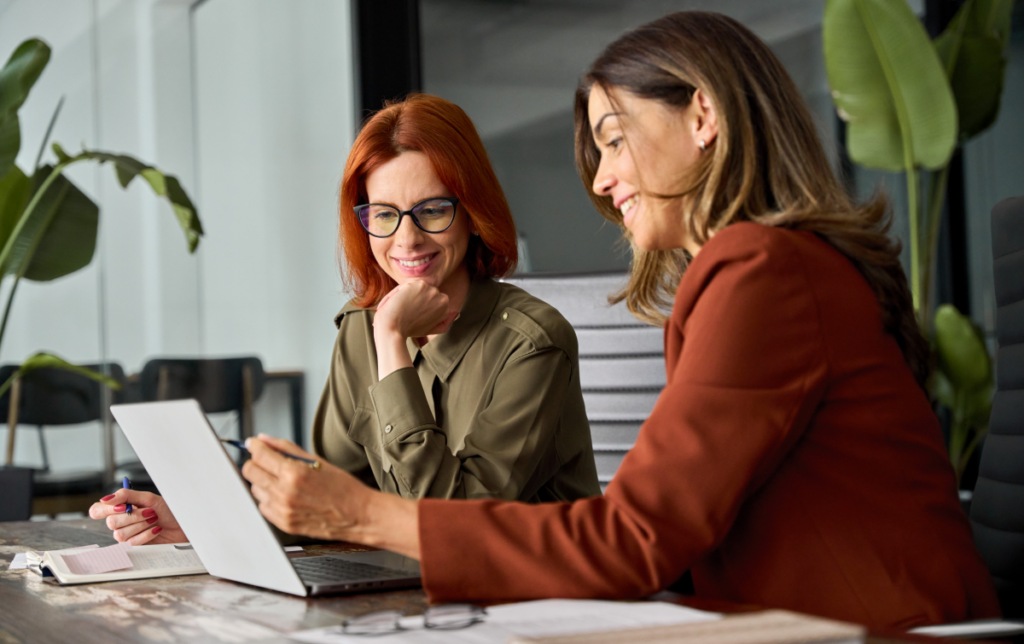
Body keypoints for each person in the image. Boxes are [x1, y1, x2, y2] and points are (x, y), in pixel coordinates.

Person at [234, 12, 1001, 629]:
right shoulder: (763, 271)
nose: (601, 180)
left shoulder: (765, 271)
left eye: (611, 138)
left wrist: (367, 517)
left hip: (874, 626)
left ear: (703, 113)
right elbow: (655, 533)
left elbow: (633, 539)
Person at [90, 95, 601, 544]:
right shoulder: (361, 327)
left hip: (524, 599)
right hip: (400, 591)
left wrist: (392, 341)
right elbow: (332, 494)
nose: (407, 239)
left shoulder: (532, 342)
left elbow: (449, 523)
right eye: (384, 214)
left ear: (472, 211)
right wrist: (200, 520)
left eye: (432, 210)